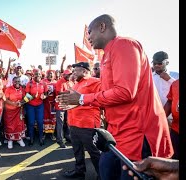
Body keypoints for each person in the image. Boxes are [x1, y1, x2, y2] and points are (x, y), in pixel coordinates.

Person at [56, 14, 173, 180]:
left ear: (103, 27)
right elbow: (109, 96)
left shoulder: (124, 45)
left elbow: (125, 92)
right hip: (118, 133)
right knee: (106, 170)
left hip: (137, 135)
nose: (88, 37)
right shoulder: (106, 55)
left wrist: (82, 99)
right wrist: (78, 101)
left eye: (90, 31)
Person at [63, 62, 101, 179]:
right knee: (77, 150)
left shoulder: (95, 82)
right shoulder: (75, 85)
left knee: (93, 152)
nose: (74, 73)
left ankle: (102, 174)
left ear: (85, 71)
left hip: (87, 124)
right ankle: (79, 171)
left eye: (76, 70)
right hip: (74, 123)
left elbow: (100, 100)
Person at [25, 69, 48, 146]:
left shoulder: (43, 84)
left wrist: (44, 96)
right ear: (33, 75)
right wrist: (32, 97)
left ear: (41, 75)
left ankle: (41, 137)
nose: (37, 76)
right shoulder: (29, 84)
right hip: (31, 105)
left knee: (40, 122)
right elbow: (26, 97)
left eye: (39, 74)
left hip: (39, 105)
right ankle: (31, 138)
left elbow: (46, 93)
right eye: (36, 74)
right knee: (31, 123)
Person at [3, 77, 26, 149]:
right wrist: (13, 104)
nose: (17, 82)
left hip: (19, 110)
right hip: (10, 110)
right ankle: (10, 140)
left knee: (19, 125)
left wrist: (21, 103)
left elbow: (25, 98)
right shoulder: (8, 89)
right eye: (15, 81)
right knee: (10, 125)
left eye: (18, 81)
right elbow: (5, 99)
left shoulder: (22, 89)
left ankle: (19, 139)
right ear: (12, 82)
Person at [55, 69, 73, 148]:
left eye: (70, 74)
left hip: (68, 105)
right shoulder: (60, 82)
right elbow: (59, 92)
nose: (69, 76)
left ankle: (67, 136)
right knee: (60, 123)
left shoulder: (70, 82)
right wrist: (69, 92)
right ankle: (60, 140)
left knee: (68, 122)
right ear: (64, 75)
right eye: (68, 75)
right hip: (60, 105)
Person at [164, 79, 179, 159]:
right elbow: (170, 101)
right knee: (173, 158)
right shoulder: (175, 84)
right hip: (175, 131)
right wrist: (162, 117)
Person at [41, 70, 57, 141]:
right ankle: (44, 133)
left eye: (51, 74)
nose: (50, 75)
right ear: (46, 75)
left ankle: (52, 133)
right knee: (44, 118)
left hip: (53, 103)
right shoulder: (43, 82)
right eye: (49, 74)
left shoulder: (56, 82)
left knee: (52, 118)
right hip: (45, 103)